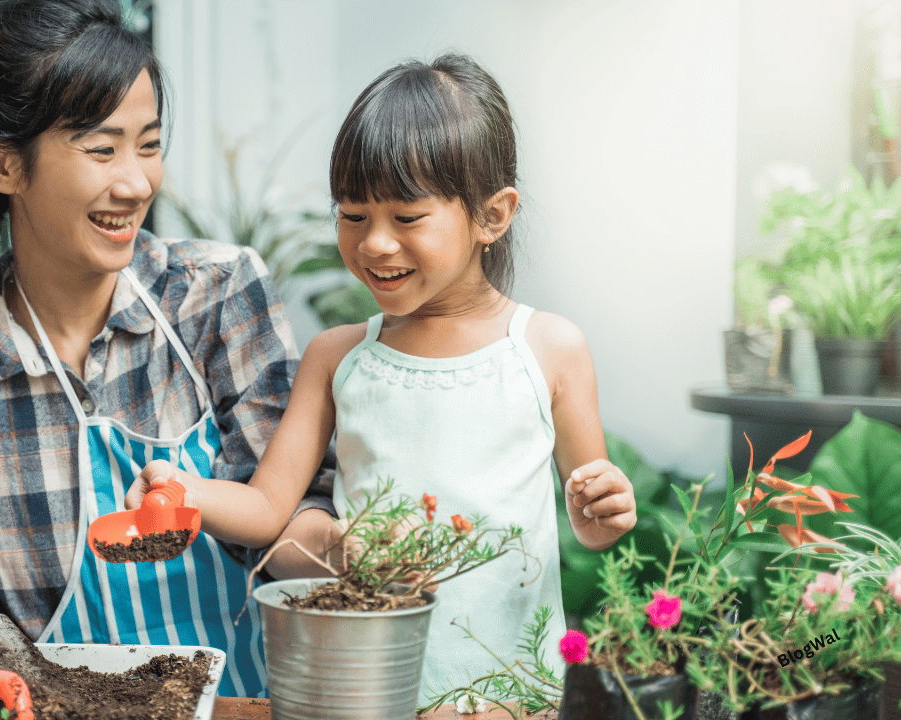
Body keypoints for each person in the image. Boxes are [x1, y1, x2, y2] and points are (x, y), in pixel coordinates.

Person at [0, 0, 335, 698]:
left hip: (242, 704)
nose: (135, 183)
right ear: (2, 162)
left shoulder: (215, 296)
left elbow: (294, 517)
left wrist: (349, 553)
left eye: (150, 144)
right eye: (102, 149)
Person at [129, 52, 638, 692]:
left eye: (406, 217)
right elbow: (266, 508)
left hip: (513, 688)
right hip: (366, 684)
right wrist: (186, 489)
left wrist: (602, 510)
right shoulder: (338, 357)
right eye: (353, 214)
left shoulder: (548, 348)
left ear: (492, 215)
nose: (374, 243)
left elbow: (590, 523)